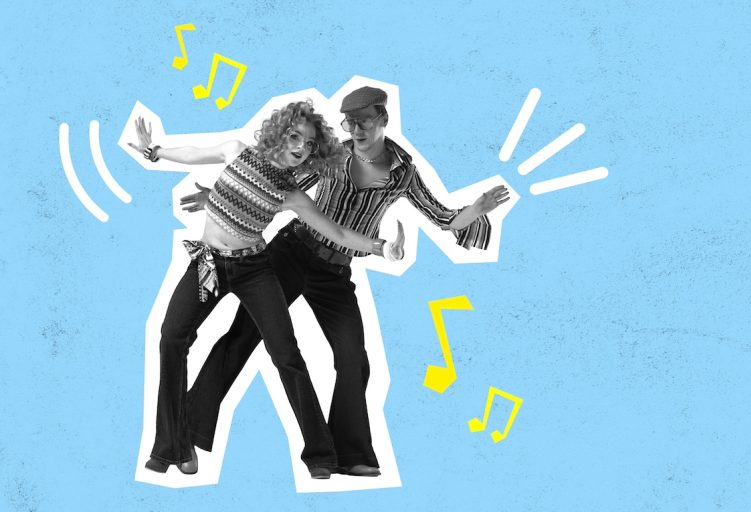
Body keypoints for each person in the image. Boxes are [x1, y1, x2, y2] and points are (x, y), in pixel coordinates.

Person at [182, 86, 510, 477]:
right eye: (349, 122)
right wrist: (222, 195)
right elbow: (277, 182)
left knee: (353, 358)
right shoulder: (332, 156)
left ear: (383, 119)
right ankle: (187, 430)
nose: (356, 129)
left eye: (364, 121)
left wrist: (478, 208)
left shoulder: (404, 174)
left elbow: (443, 219)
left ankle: (349, 455)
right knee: (244, 335)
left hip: (335, 274)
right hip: (292, 251)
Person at [127, 100, 405, 479]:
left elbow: (337, 232)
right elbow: (193, 154)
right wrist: (155, 151)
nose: (301, 147)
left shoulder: (292, 194)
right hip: (208, 264)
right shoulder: (235, 151)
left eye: (309, 144)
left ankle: (321, 455)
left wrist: (381, 247)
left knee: (286, 354)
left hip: (253, 270)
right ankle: (172, 445)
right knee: (171, 337)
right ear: (278, 133)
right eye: (295, 137)